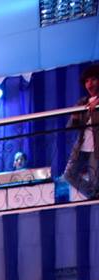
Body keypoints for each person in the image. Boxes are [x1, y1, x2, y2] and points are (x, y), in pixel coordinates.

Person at [64, 63, 99, 199]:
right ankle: (94, 194)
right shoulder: (82, 102)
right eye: (87, 81)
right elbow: (71, 126)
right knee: (69, 174)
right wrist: (75, 117)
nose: (90, 84)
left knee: (95, 180)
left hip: (96, 148)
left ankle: (95, 194)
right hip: (81, 146)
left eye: (93, 79)